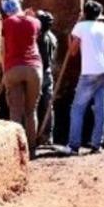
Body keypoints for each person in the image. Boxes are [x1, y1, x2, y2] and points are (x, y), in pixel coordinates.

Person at [67, 0, 104, 155]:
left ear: (85, 13)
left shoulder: (80, 27)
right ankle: (97, 145)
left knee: (77, 108)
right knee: (101, 108)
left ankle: (74, 145)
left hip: (89, 72)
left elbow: (72, 51)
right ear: (99, 14)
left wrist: (71, 36)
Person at [0, 0, 44, 156]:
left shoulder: (6, 24)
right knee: (31, 110)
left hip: (13, 67)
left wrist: (4, 71)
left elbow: (2, 50)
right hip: (34, 67)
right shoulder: (35, 22)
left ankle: (16, 151)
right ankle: (32, 150)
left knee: (15, 112)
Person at [35, 10, 58, 146]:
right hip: (48, 73)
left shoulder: (39, 37)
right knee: (48, 106)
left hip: (38, 72)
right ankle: (48, 137)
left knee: (33, 105)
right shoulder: (52, 37)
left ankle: (34, 135)